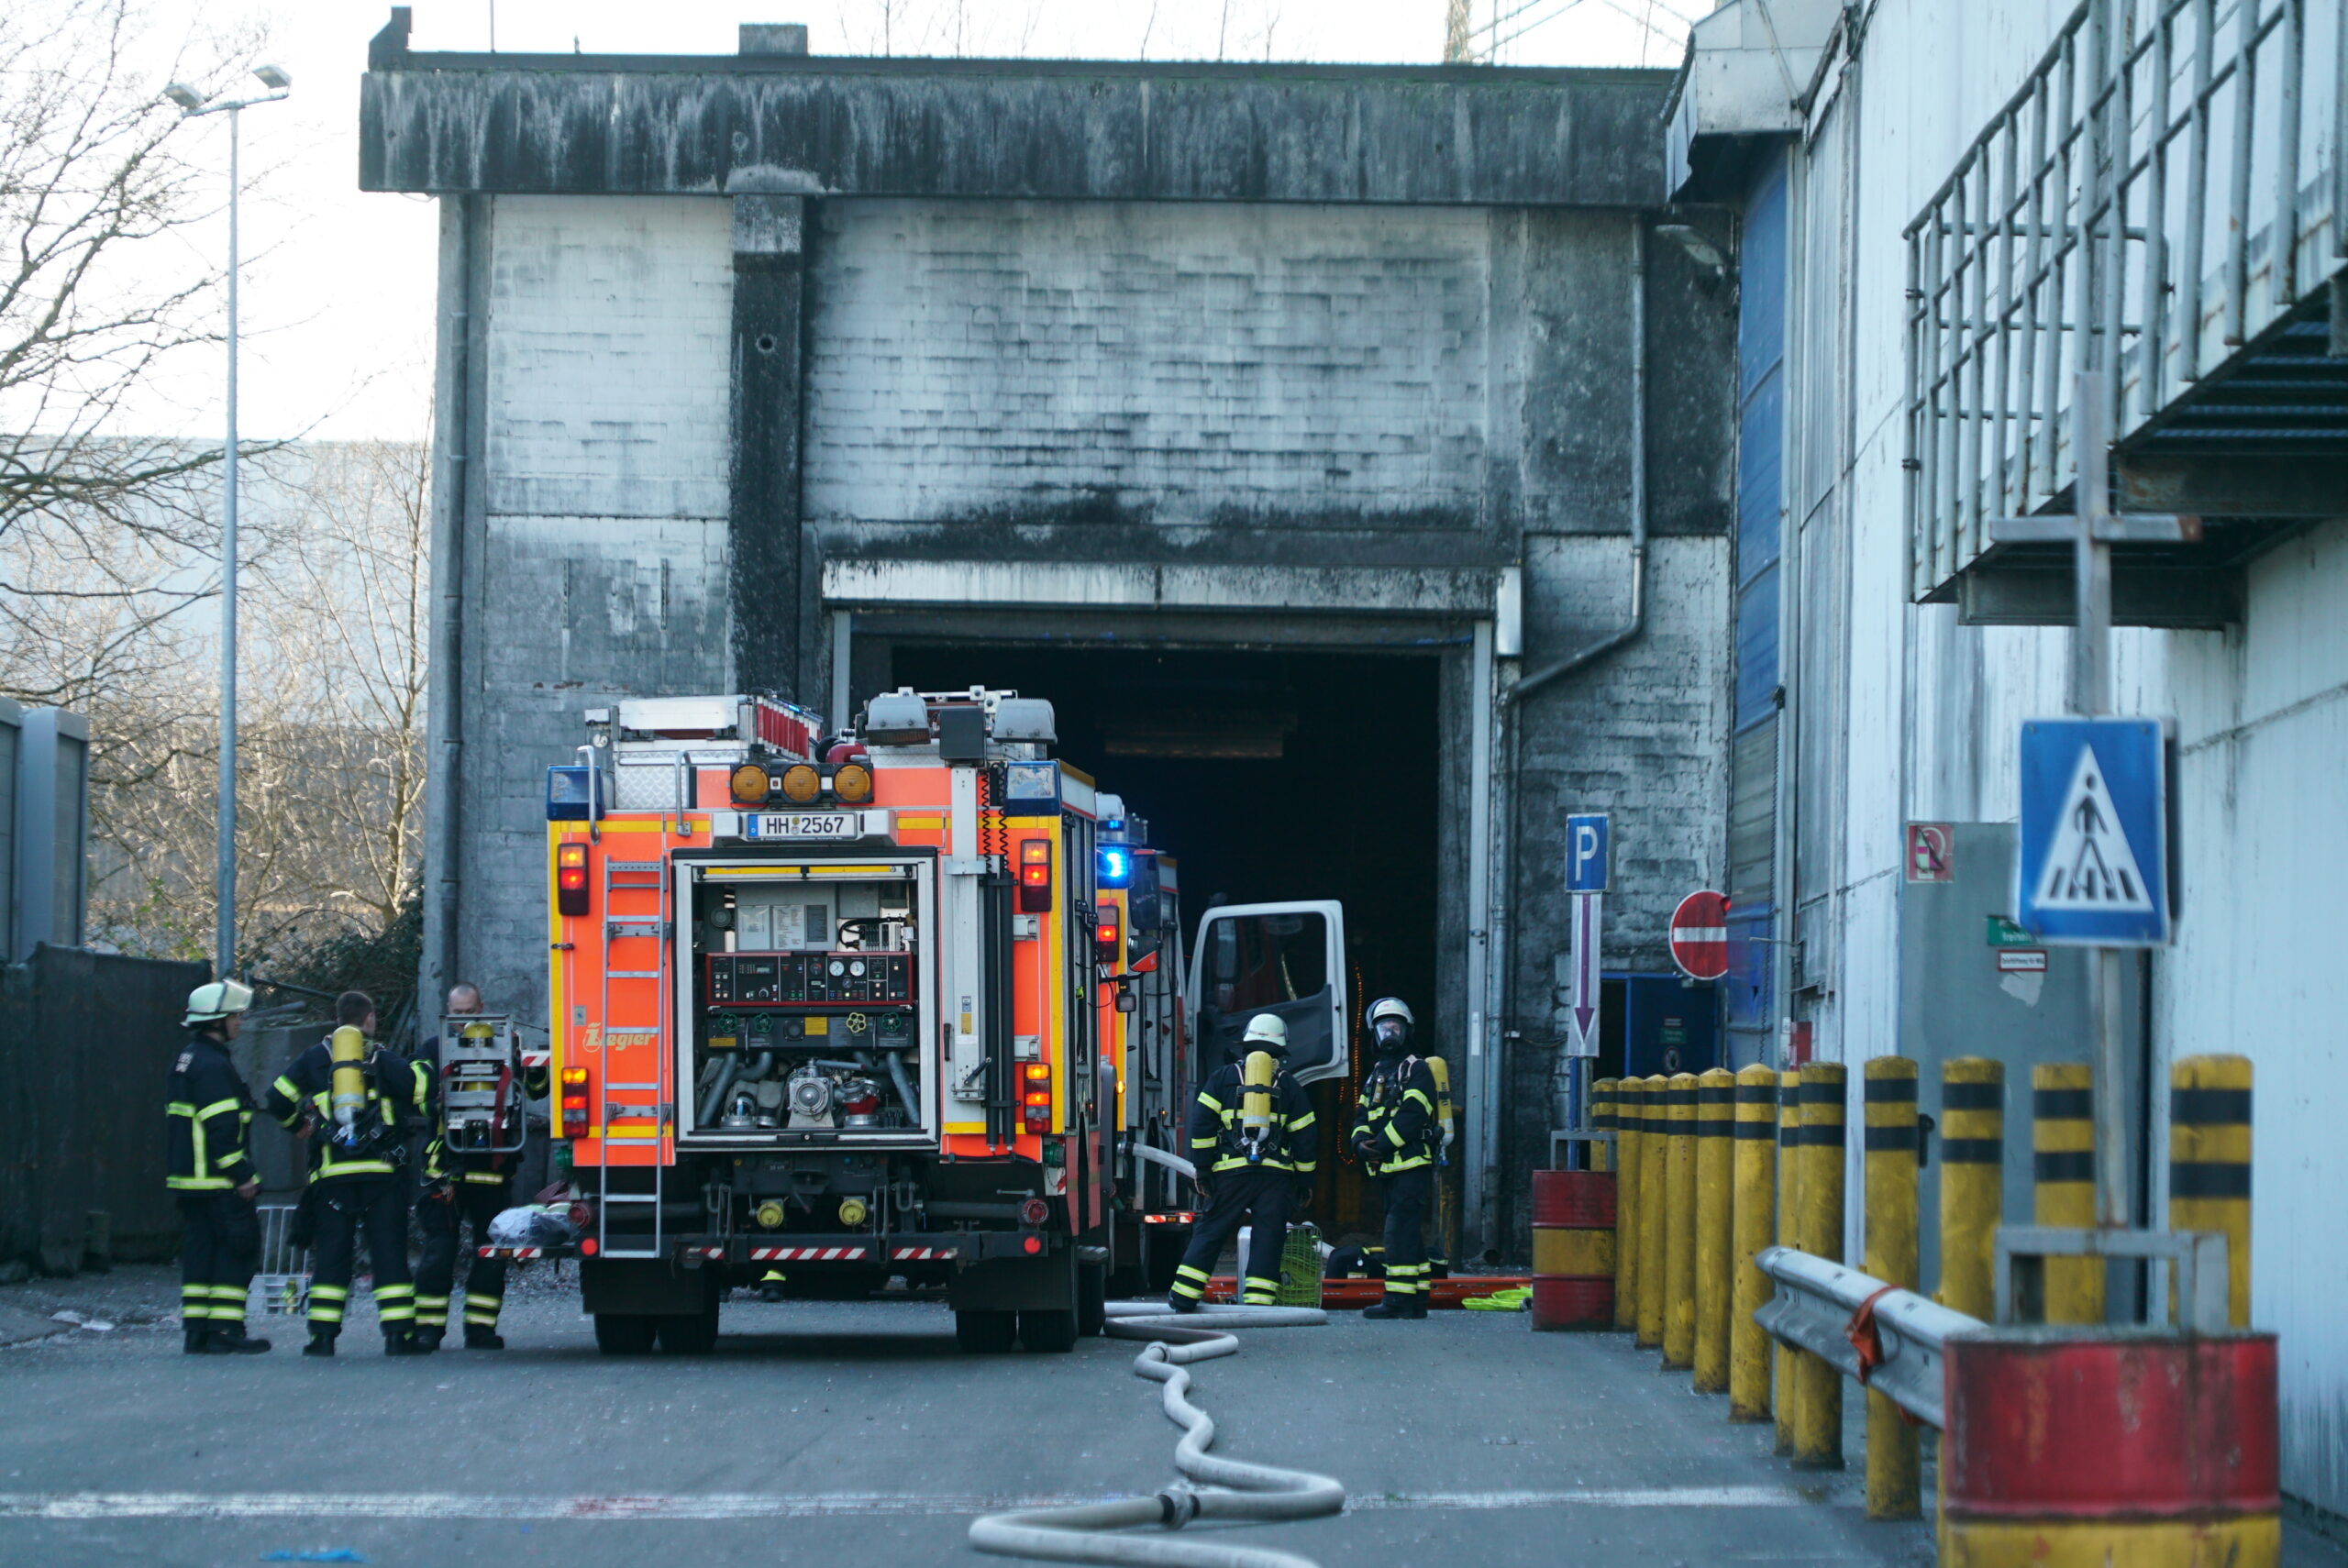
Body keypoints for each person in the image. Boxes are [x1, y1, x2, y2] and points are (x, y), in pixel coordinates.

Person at [266, 990, 431, 1357]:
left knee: (331, 1256)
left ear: (338, 1020)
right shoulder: (382, 1058)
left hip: (332, 1177)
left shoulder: (313, 1059)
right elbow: (420, 1091)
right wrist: (420, 1065)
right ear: (369, 1018)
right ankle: (398, 1336)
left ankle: (322, 1338)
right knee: (389, 1253)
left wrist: (299, 1126)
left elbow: (275, 1098)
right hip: (382, 1176)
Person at [413, 983, 547, 1350]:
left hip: (492, 1168)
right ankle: (427, 1329)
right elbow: (419, 1098)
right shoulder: (432, 1048)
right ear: (447, 1012)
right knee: (439, 1250)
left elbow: (537, 1090)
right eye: (457, 1014)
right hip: (447, 1170)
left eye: (471, 1013)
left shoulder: (504, 1043)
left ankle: (481, 1328)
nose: (464, 1021)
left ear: (482, 1008)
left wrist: (528, 1058)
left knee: (491, 1251)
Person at [1168, 1013, 1317, 1311]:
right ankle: (1259, 1303)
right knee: (1269, 1235)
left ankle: (1183, 1297)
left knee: (1211, 1230)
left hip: (1229, 1173)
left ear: (1246, 1045)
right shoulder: (1289, 1085)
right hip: (1275, 1178)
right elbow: (1306, 1137)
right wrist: (1304, 1182)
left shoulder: (1222, 1078)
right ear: (1281, 1050)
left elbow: (1202, 1126)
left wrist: (1204, 1168)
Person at [167, 979, 271, 1354]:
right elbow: (222, 1131)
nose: (240, 1021)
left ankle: (198, 1332)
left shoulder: (188, 1058)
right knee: (236, 1250)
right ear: (216, 1021)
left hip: (191, 1182)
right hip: (217, 1181)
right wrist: (243, 1176)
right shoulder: (213, 1066)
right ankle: (226, 1330)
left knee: (200, 1254)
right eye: (235, 1016)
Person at [1350, 997, 1438, 1320]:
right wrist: (1360, 1144)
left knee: (1398, 1230)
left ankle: (1397, 1301)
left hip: (1411, 1164)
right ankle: (1416, 1300)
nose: (1390, 1031)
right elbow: (1361, 1113)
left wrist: (1382, 1144)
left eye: (1396, 1026)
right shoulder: (1376, 1073)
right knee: (1408, 1232)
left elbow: (1415, 1114)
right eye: (1384, 1026)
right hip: (1387, 1167)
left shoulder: (1416, 1067)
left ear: (1407, 1030)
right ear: (1374, 1032)